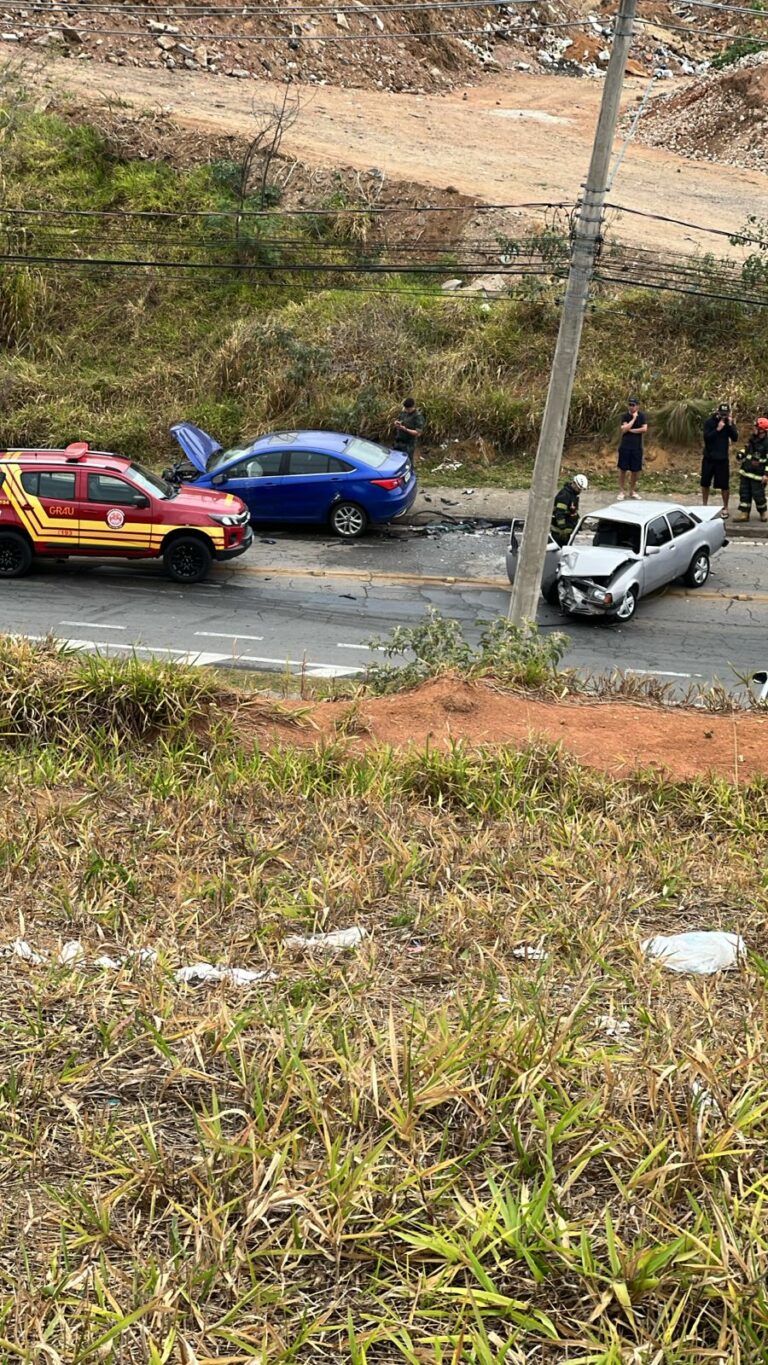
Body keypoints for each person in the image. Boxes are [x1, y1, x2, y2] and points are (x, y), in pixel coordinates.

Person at [701, 402, 738, 516]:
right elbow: (707, 438)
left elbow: (735, 438)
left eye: (725, 414)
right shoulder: (709, 422)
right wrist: (717, 429)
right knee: (705, 483)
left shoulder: (729, 423)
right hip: (709, 458)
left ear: (729, 413)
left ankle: (725, 508)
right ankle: (704, 506)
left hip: (722, 459)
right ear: (718, 412)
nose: (723, 416)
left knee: (724, 485)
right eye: (722, 414)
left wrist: (730, 425)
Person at [735, 417, 768, 522]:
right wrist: (741, 453)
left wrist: (766, 475)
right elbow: (746, 449)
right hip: (746, 471)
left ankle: (763, 512)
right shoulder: (752, 439)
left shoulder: (766, 443)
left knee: (758, 495)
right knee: (744, 493)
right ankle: (744, 513)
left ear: (762, 430)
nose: (754, 429)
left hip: (758, 475)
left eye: (756, 427)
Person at [617, 397, 648, 501]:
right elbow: (624, 429)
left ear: (637, 406)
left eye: (633, 405)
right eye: (630, 404)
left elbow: (644, 429)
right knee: (623, 470)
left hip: (636, 447)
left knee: (635, 470)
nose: (631, 407)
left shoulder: (642, 416)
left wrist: (631, 430)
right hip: (625, 446)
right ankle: (621, 491)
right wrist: (634, 419)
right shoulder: (625, 416)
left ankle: (632, 491)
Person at [551, 473, 588, 546]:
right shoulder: (564, 495)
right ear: (574, 483)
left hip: (567, 531)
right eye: (579, 488)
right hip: (560, 534)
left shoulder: (573, 495)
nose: (580, 491)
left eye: (581, 489)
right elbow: (559, 513)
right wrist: (562, 529)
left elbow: (573, 512)